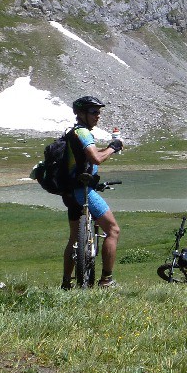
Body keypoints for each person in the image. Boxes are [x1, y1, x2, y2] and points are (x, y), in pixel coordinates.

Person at [61, 95, 124, 289]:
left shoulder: (72, 132)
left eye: (98, 112)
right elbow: (96, 158)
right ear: (81, 114)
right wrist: (113, 148)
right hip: (83, 191)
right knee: (113, 230)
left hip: (69, 191)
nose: (98, 116)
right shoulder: (83, 133)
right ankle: (106, 280)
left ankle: (66, 282)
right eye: (93, 112)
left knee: (74, 238)